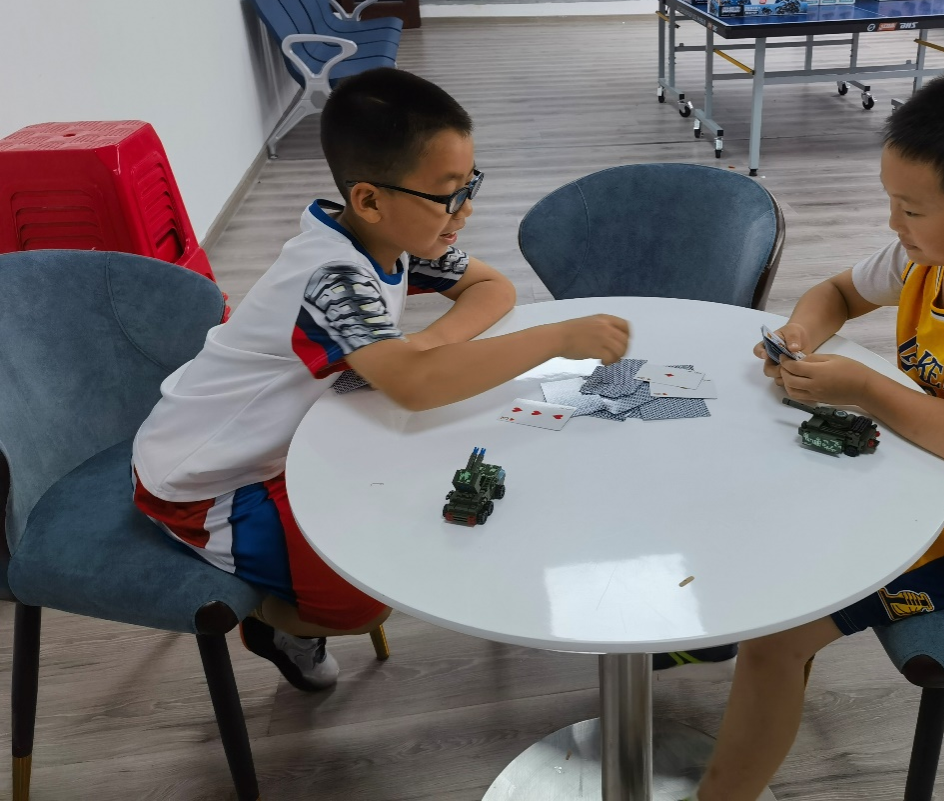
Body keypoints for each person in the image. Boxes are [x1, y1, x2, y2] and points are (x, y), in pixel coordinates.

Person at [665, 67, 944, 801]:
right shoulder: (933, 252)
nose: (893, 225)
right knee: (745, 492)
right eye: (890, 201)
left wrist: (867, 388)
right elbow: (839, 292)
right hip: (912, 476)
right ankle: (719, 629)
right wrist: (800, 333)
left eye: (911, 209)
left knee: (780, 638)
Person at [131, 69, 629, 691]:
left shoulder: (392, 234)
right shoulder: (331, 275)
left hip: (296, 439)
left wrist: (422, 347)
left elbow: (490, 287)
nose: (467, 210)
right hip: (209, 481)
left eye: (469, 185)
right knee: (362, 605)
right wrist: (555, 339)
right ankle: (268, 625)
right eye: (448, 194)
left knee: (406, 512)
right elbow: (416, 388)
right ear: (369, 199)